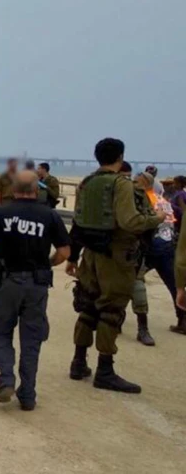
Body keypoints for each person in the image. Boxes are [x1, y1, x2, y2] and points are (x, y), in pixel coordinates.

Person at [65, 138, 165, 394]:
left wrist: (72, 257)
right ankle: (105, 370)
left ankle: (78, 362)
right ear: (120, 157)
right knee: (111, 309)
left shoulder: (87, 183)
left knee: (88, 306)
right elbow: (130, 221)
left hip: (91, 254)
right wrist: (157, 218)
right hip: (116, 256)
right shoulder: (121, 184)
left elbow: (78, 222)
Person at [0, 171, 70, 411]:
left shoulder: (2, 212)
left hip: (8, 282)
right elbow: (65, 251)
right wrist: (49, 263)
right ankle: (27, 394)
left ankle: (6, 379)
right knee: (32, 339)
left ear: (13, 190)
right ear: (37, 191)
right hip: (37, 285)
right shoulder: (49, 215)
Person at [129, 172, 184, 339]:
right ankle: (183, 320)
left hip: (148, 249)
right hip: (168, 247)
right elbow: (179, 218)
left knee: (133, 283)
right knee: (174, 285)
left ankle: (132, 323)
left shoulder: (141, 200)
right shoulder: (165, 202)